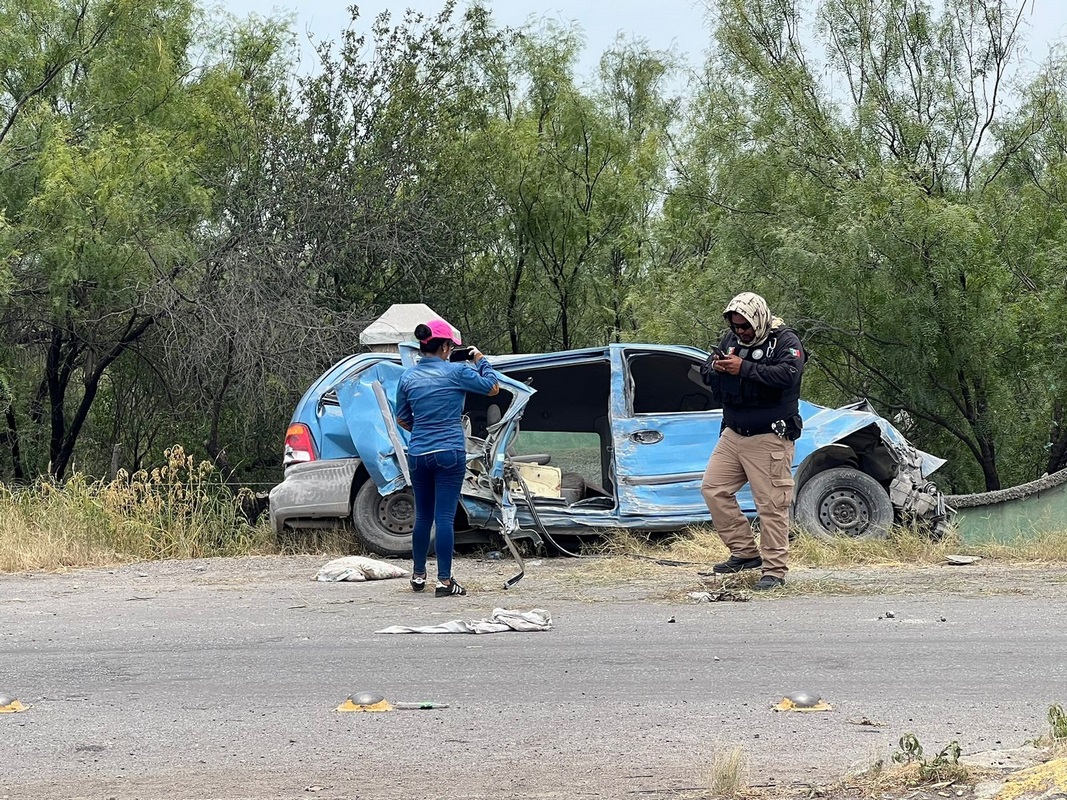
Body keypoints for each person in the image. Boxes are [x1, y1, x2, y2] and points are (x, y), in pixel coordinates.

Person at [699, 292, 805, 590]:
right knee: (713, 488)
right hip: (733, 433)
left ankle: (774, 570)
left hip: (770, 436)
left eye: (745, 326)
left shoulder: (784, 341)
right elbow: (706, 371)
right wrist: (717, 368)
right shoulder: (730, 341)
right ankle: (744, 552)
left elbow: (788, 375)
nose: (740, 332)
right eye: (735, 326)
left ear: (758, 318)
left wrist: (743, 368)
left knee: (771, 505)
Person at [395, 319, 500, 597]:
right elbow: (493, 388)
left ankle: (418, 577)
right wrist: (478, 357)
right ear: (444, 347)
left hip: (418, 453)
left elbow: (402, 419)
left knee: (422, 517)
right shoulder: (456, 371)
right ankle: (444, 582)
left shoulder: (407, 377)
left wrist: (424, 431)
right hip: (450, 452)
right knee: (444, 517)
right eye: (450, 347)